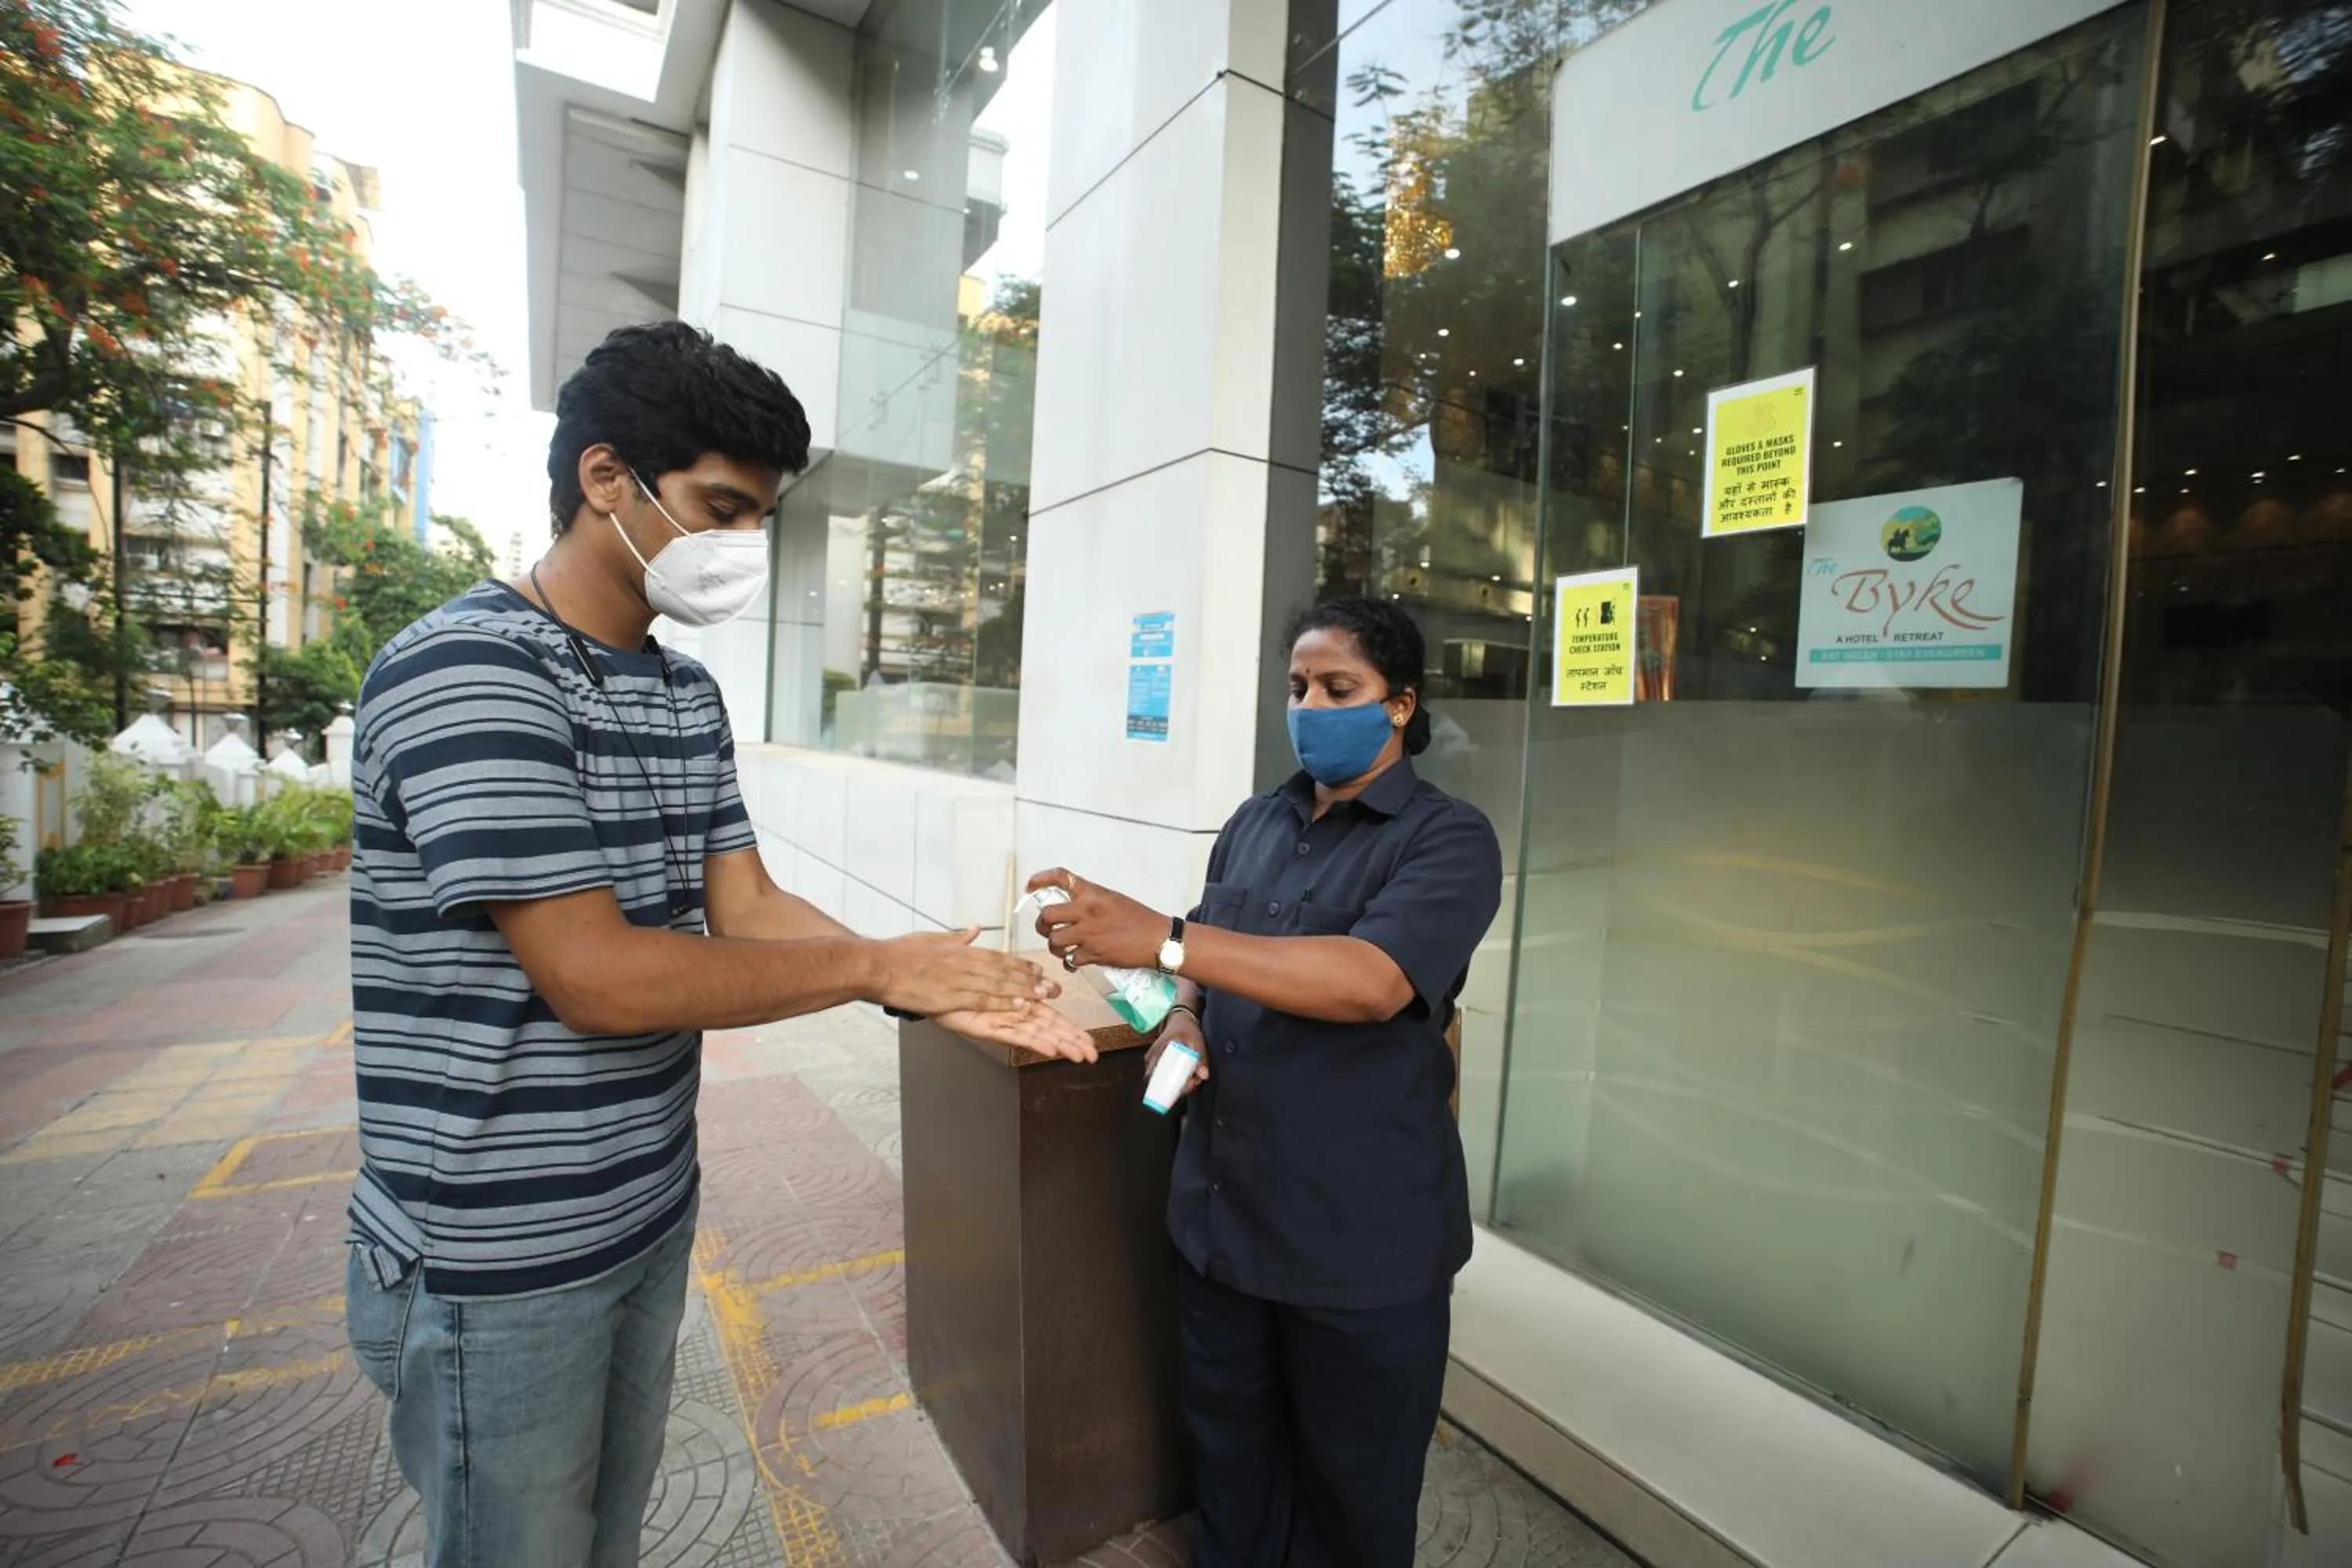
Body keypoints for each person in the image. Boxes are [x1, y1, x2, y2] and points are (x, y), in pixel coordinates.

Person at [345, 321, 1093, 1568]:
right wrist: (876, 967)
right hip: (495, 1251)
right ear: (605, 480)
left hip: (642, 1209)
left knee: (605, 1542)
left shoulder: (681, 694)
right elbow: (594, 973)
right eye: (721, 506)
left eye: (761, 518)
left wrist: (933, 982)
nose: (745, 546)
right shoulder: (469, 671)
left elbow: (744, 908)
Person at [1029, 595, 1503, 1568]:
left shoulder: (1446, 840)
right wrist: (1183, 1014)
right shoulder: (1256, 820)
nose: (1312, 706)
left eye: (1341, 688)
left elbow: (1371, 981)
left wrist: (1161, 934)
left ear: (1401, 704)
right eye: (1297, 688)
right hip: (1222, 1229)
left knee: (1352, 1497)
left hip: (1359, 1251)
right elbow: (1211, 952)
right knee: (1233, 1472)